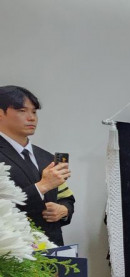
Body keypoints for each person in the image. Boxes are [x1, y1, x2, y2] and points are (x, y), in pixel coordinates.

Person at [0, 86, 75, 245]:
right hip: (13, 251)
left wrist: (63, 210)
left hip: (53, 247)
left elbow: (66, 198)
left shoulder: (46, 157)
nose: (31, 118)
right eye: (22, 111)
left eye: (34, 112)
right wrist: (42, 186)